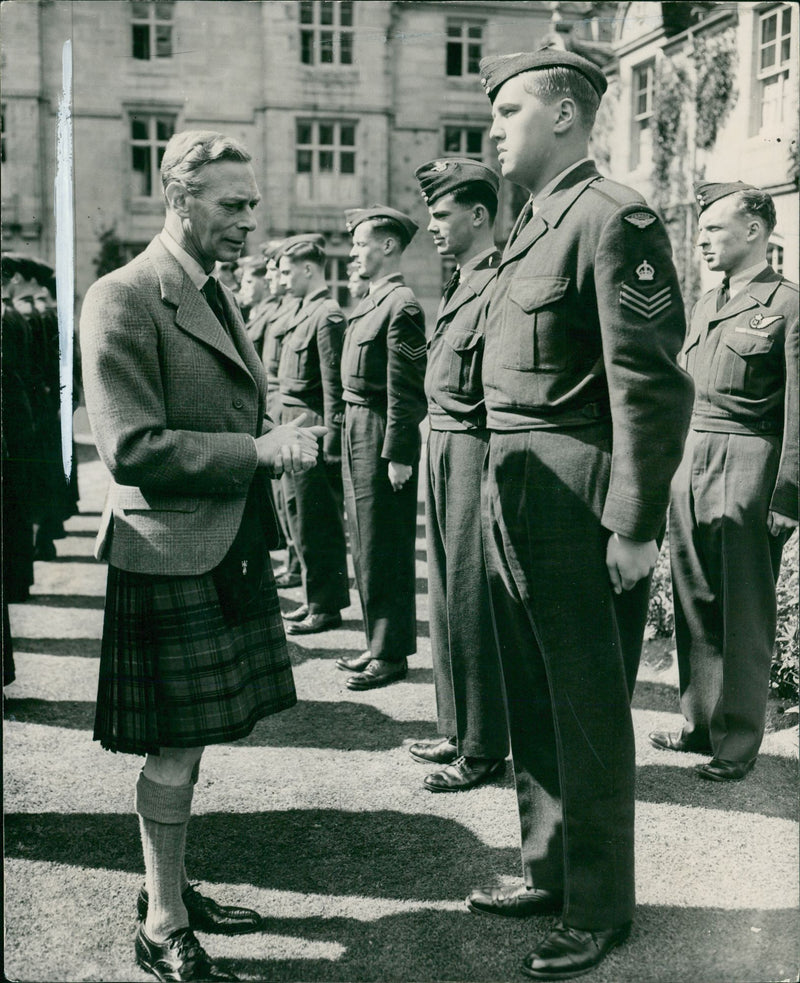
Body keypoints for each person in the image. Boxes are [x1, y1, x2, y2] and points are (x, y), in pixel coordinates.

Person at [466, 50, 693, 980]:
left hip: (579, 493)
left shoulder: (613, 217)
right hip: (514, 483)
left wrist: (635, 525)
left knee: (590, 708)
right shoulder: (535, 223)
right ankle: (551, 869)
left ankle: (598, 907)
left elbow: (649, 385)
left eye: (510, 110)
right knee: (532, 693)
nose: (494, 128)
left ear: (565, 115)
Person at [80, 130, 326, 983]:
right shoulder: (123, 295)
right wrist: (262, 453)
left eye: (252, 204)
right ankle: (161, 922)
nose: (250, 221)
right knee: (176, 748)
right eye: (232, 204)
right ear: (177, 199)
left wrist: (274, 437)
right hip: (170, 549)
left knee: (194, 742)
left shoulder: (211, 291)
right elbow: (132, 447)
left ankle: (169, 888)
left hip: (216, 541)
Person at [650, 182, 798, 782]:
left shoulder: (788, 306)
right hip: (691, 459)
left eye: (714, 228)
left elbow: (799, 408)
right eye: (702, 228)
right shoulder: (706, 303)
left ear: (756, 231)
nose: (702, 238)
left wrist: (788, 492)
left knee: (744, 608)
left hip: (749, 463)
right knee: (694, 599)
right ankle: (699, 724)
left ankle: (736, 742)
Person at [408, 157, 509, 792]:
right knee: (445, 594)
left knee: (473, 599)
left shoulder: (496, 282)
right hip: (441, 441)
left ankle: (483, 746)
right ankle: (454, 726)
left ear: (478, 215)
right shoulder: (460, 280)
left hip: (474, 447)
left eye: (442, 216)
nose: (432, 227)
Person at [335, 206, 427, 690]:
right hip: (356, 426)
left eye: (361, 243)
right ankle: (376, 642)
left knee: (385, 544)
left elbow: (405, 390)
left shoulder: (402, 305)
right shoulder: (371, 301)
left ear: (388, 246)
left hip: (378, 431)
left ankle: (391, 654)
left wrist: (400, 453)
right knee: (364, 541)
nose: (353, 251)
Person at [277, 234, 349, 634]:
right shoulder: (299, 310)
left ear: (308, 269)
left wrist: (334, 444)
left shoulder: (328, 314)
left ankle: (326, 604)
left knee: (318, 520)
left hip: (313, 426)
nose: (284, 278)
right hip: (292, 422)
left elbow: (333, 384)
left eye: (289, 271)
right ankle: (311, 597)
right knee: (296, 516)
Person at [260, 241, 303, 589]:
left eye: (283, 271)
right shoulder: (279, 311)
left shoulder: (320, 311)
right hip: (275, 406)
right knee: (285, 503)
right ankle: (294, 562)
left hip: (296, 410)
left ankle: (311, 584)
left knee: (303, 509)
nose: (277, 278)